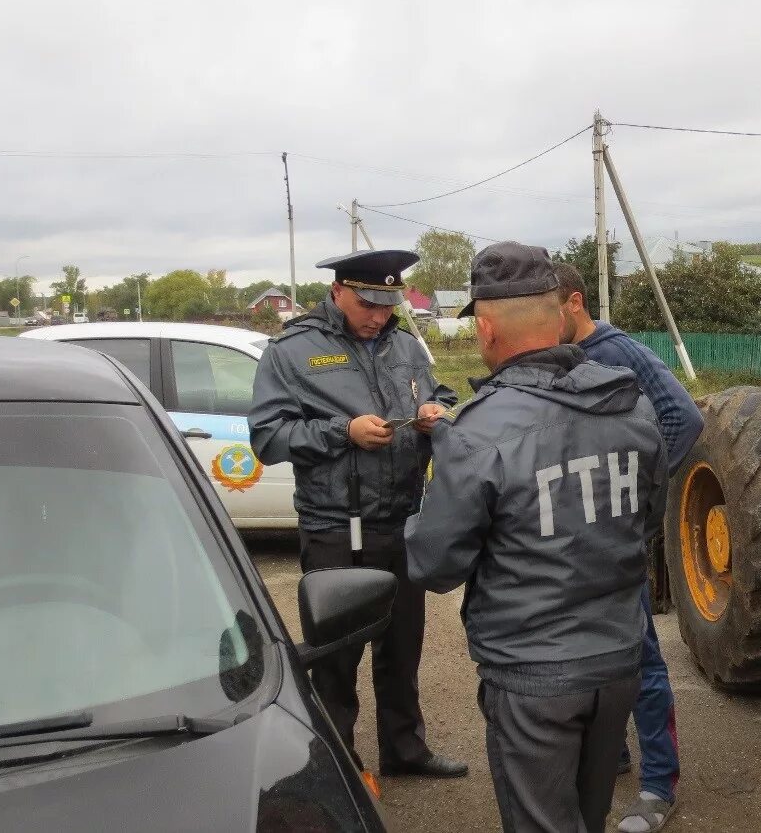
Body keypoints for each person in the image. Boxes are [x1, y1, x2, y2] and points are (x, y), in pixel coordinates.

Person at [405, 242, 668, 833]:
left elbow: (434, 566)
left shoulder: (476, 433)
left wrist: (411, 519)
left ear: (488, 328)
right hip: (617, 662)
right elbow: (646, 520)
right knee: (588, 816)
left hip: (533, 678)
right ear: (557, 315)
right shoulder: (633, 407)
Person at [250, 248, 468, 792]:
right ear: (339, 291)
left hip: (402, 521)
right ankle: (339, 763)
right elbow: (268, 437)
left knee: (402, 648)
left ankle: (405, 749)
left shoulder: (404, 342)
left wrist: (434, 412)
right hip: (335, 528)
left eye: (387, 302)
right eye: (368, 302)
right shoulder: (292, 351)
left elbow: (434, 391)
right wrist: (340, 433)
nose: (378, 315)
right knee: (336, 658)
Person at [553, 261, 700, 833]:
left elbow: (683, 420)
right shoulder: (555, 359)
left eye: (548, 305)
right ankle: (610, 754)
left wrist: (638, 492)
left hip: (616, 536)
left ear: (574, 302)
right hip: (574, 537)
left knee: (639, 657)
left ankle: (660, 783)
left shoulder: (621, 353)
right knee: (589, 655)